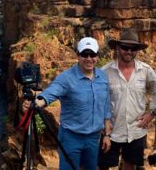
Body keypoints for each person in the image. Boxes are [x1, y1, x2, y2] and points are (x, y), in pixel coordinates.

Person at [22, 37, 112, 170]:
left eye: (92, 54)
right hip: (71, 138)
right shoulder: (66, 78)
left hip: (94, 138)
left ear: (97, 56)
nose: (89, 58)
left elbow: (105, 105)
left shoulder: (102, 77)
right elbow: (51, 92)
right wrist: (36, 102)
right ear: (78, 55)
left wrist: (107, 135)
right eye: (84, 54)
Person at [98, 28, 156, 170]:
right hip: (110, 130)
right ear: (118, 48)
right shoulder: (105, 72)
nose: (129, 52)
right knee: (103, 165)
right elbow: (98, 99)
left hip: (135, 129)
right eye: (125, 48)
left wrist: (152, 113)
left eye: (133, 49)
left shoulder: (145, 70)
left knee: (130, 165)